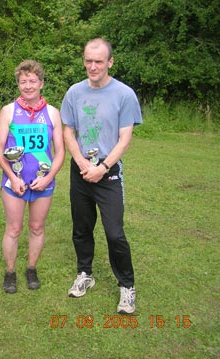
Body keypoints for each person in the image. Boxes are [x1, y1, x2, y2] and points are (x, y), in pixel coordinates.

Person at [61, 38, 142, 314]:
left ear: (110, 62)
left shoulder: (124, 94)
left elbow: (125, 138)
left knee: (114, 233)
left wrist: (103, 167)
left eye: (98, 61)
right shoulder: (74, 92)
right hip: (81, 170)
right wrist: (82, 162)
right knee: (81, 228)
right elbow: (68, 131)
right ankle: (85, 274)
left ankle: (127, 286)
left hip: (108, 173)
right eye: (88, 60)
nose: (92, 66)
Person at [0, 60, 65, 294]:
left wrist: (48, 178)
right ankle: (11, 271)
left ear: (41, 83)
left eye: (32, 81)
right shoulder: (8, 111)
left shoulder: (53, 113)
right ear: (18, 84)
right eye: (23, 81)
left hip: (43, 182)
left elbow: (60, 152)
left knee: (36, 227)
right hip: (14, 182)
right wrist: (12, 178)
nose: (28, 86)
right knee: (13, 228)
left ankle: (31, 268)